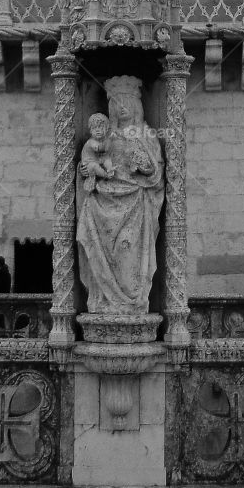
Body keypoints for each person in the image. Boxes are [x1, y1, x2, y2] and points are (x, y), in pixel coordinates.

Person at [75, 76, 164, 314]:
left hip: (135, 203)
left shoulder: (146, 135)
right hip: (102, 202)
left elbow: (156, 172)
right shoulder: (104, 136)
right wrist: (85, 170)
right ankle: (103, 300)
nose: (122, 107)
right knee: (102, 252)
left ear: (137, 105)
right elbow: (89, 160)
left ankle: (132, 301)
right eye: (117, 103)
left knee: (127, 250)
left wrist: (144, 167)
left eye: (127, 101)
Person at [80, 113, 116, 192]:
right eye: (94, 128)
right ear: (90, 130)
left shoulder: (105, 140)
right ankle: (106, 175)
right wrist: (110, 139)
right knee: (94, 166)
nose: (97, 130)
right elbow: (100, 149)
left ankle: (110, 170)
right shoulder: (91, 142)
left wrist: (109, 141)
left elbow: (107, 152)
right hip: (89, 163)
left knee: (107, 159)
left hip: (99, 160)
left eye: (100, 127)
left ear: (106, 129)